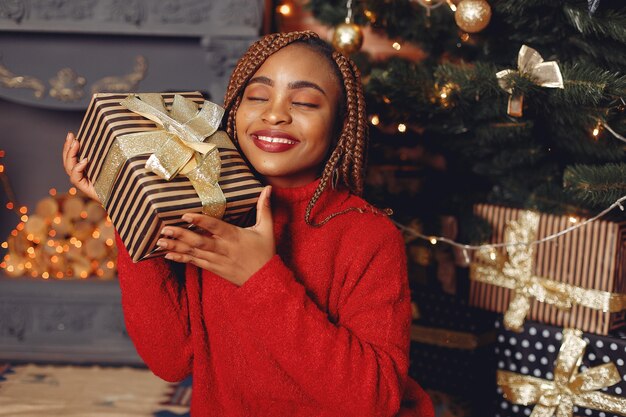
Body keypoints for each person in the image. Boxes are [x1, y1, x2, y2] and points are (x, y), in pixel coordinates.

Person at [63, 31, 434, 417]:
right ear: (234, 111)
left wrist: (259, 276)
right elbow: (171, 361)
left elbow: (372, 400)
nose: (275, 114)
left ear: (340, 125)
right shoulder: (207, 206)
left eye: (305, 102)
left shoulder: (367, 236)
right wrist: (128, 206)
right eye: (257, 97)